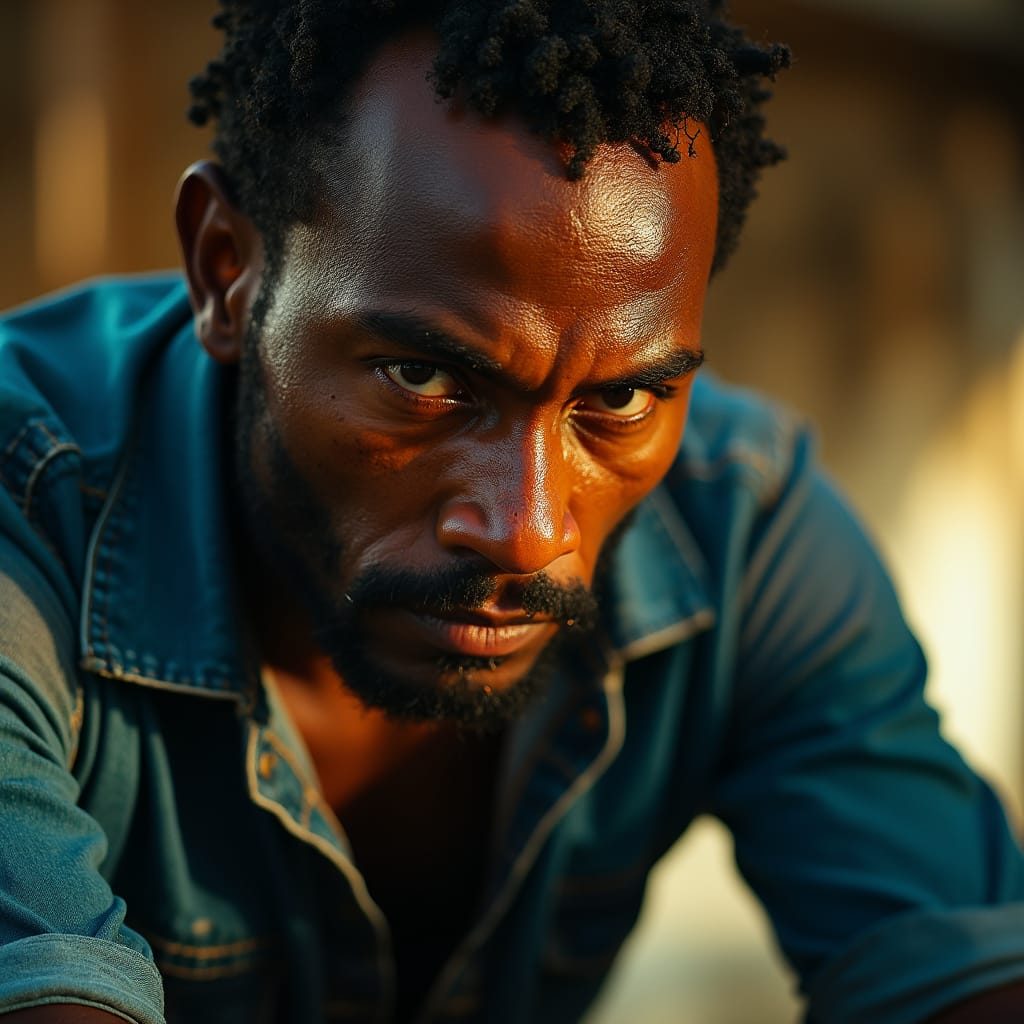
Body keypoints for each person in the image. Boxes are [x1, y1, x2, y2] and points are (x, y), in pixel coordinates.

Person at [0, 1, 1022, 1021]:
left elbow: (960, 978)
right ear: (227, 270)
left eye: (618, 400)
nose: (528, 530)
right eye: (421, 375)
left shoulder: (741, 526)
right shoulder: (28, 506)